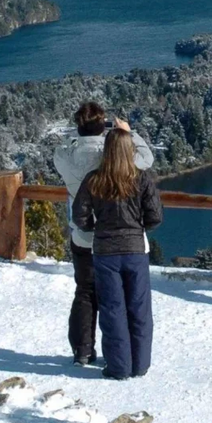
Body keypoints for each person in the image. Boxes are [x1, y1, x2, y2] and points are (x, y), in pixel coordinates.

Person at [53, 101, 154, 366]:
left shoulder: (66, 157)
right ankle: (127, 357)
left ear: (79, 126)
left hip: (83, 233)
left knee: (85, 291)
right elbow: (147, 159)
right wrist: (128, 133)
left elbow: (59, 152)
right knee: (121, 300)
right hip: (117, 238)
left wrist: (76, 137)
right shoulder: (116, 156)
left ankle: (83, 351)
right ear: (103, 126)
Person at [73, 128, 162, 380]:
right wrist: (138, 226)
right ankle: (140, 364)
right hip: (135, 251)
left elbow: (79, 216)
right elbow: (155, 216)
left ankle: (118, 367)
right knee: (139, 308)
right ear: (130, 150)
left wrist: (96, 227)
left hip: (105, 252)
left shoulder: (94, 179)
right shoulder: (142, 179)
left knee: (112, 309)